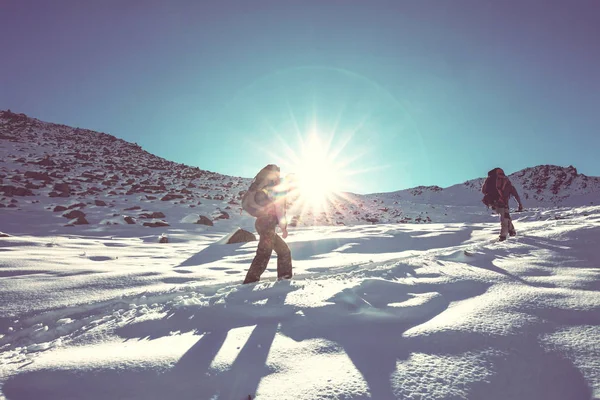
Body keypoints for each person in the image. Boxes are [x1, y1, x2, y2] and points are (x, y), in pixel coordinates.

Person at [242, 164, 292, 284]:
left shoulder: (259, 185)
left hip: (261, 223)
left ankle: (284, 278)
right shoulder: (275, 187)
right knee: (264, 253)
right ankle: (250, 282)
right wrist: (283, 227)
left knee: (283, 251)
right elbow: (279, 208)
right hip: (267, 224)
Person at [481, 167, 524, 241]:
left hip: (493, 203)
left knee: (506, 217)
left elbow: (483, 191)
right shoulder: (507, 182)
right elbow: (515, 194)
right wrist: (519, 204)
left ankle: (512, 231)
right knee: (504, 218)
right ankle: (503, 236)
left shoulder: (490, 180)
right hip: (503, 203)